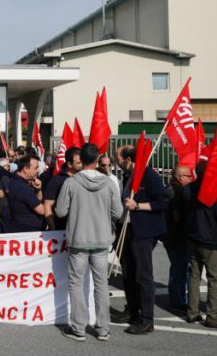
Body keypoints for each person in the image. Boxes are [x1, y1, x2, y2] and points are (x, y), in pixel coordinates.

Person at [56, 143, 123, 342]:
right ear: (97, 160)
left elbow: (60, 211)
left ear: (81, 159)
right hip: (101, 240)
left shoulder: (71, 182)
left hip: (78, 239)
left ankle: (78, 328)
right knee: (101, 284)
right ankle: (103, 328)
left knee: (76, 283)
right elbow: (118, 212)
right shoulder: (109, 182)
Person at [115, 144, 168, 335]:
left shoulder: (149, 175)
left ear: (128, 160)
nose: (116, 162)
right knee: (128, 273)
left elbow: (163, 202)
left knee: (143, 275)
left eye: (118, 159)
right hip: (127, 230)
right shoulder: (128, 175)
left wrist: (138, 205)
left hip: (143, 232)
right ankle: (133, 310)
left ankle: (147, 319)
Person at [180, 161, 217, 328]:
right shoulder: (213, 189)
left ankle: (192, 312)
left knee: (194, 276)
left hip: (192, 237)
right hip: (210, 239)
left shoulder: (187, 189)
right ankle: (212, 315)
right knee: (214, 279)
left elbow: (182, 214)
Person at [161, 164, 194, 313]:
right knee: (179, 269)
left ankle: (179, 298)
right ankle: (177, 300)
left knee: (179, 268)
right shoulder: (177, 191)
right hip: (177, 236)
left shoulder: (169, 189)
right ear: (181, 177)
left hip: (170, 235)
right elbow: (177, 216)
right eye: (189, 176)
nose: (191, 178)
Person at [43, 146, 81, 230]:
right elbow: (47, 205)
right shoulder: (57, 181)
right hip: (62, 229)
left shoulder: (83, 178)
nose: (82, 165)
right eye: (79, 163)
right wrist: (53, 229)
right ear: (69, 164)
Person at [6, 155, 45, 232]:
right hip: (27, 230)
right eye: (36, 168)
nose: (38, 170)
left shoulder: (18, 181)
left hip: (24, 228)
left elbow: (37, 200)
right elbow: (41, 210)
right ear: (25, 169)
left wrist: (38, 190)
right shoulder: (21, 186)